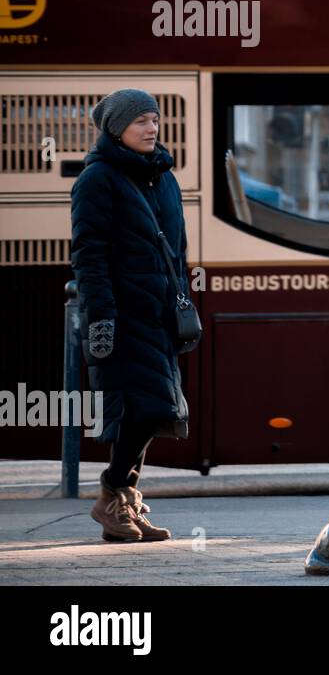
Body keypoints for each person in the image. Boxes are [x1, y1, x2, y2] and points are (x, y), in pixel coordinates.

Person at [71, 89, 193, 543]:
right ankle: (111, 497)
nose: (152, 128)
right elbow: (89, 255)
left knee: (154, 411)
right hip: (123, 315)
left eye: (155, 120)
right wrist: (101, 318)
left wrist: (183, 300)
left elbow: (176, 252)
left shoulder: (163, 177)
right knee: (145, 410)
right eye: (141, 120)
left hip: (159, 315)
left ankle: (121, 504)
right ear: (115, 128)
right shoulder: (97, 179)